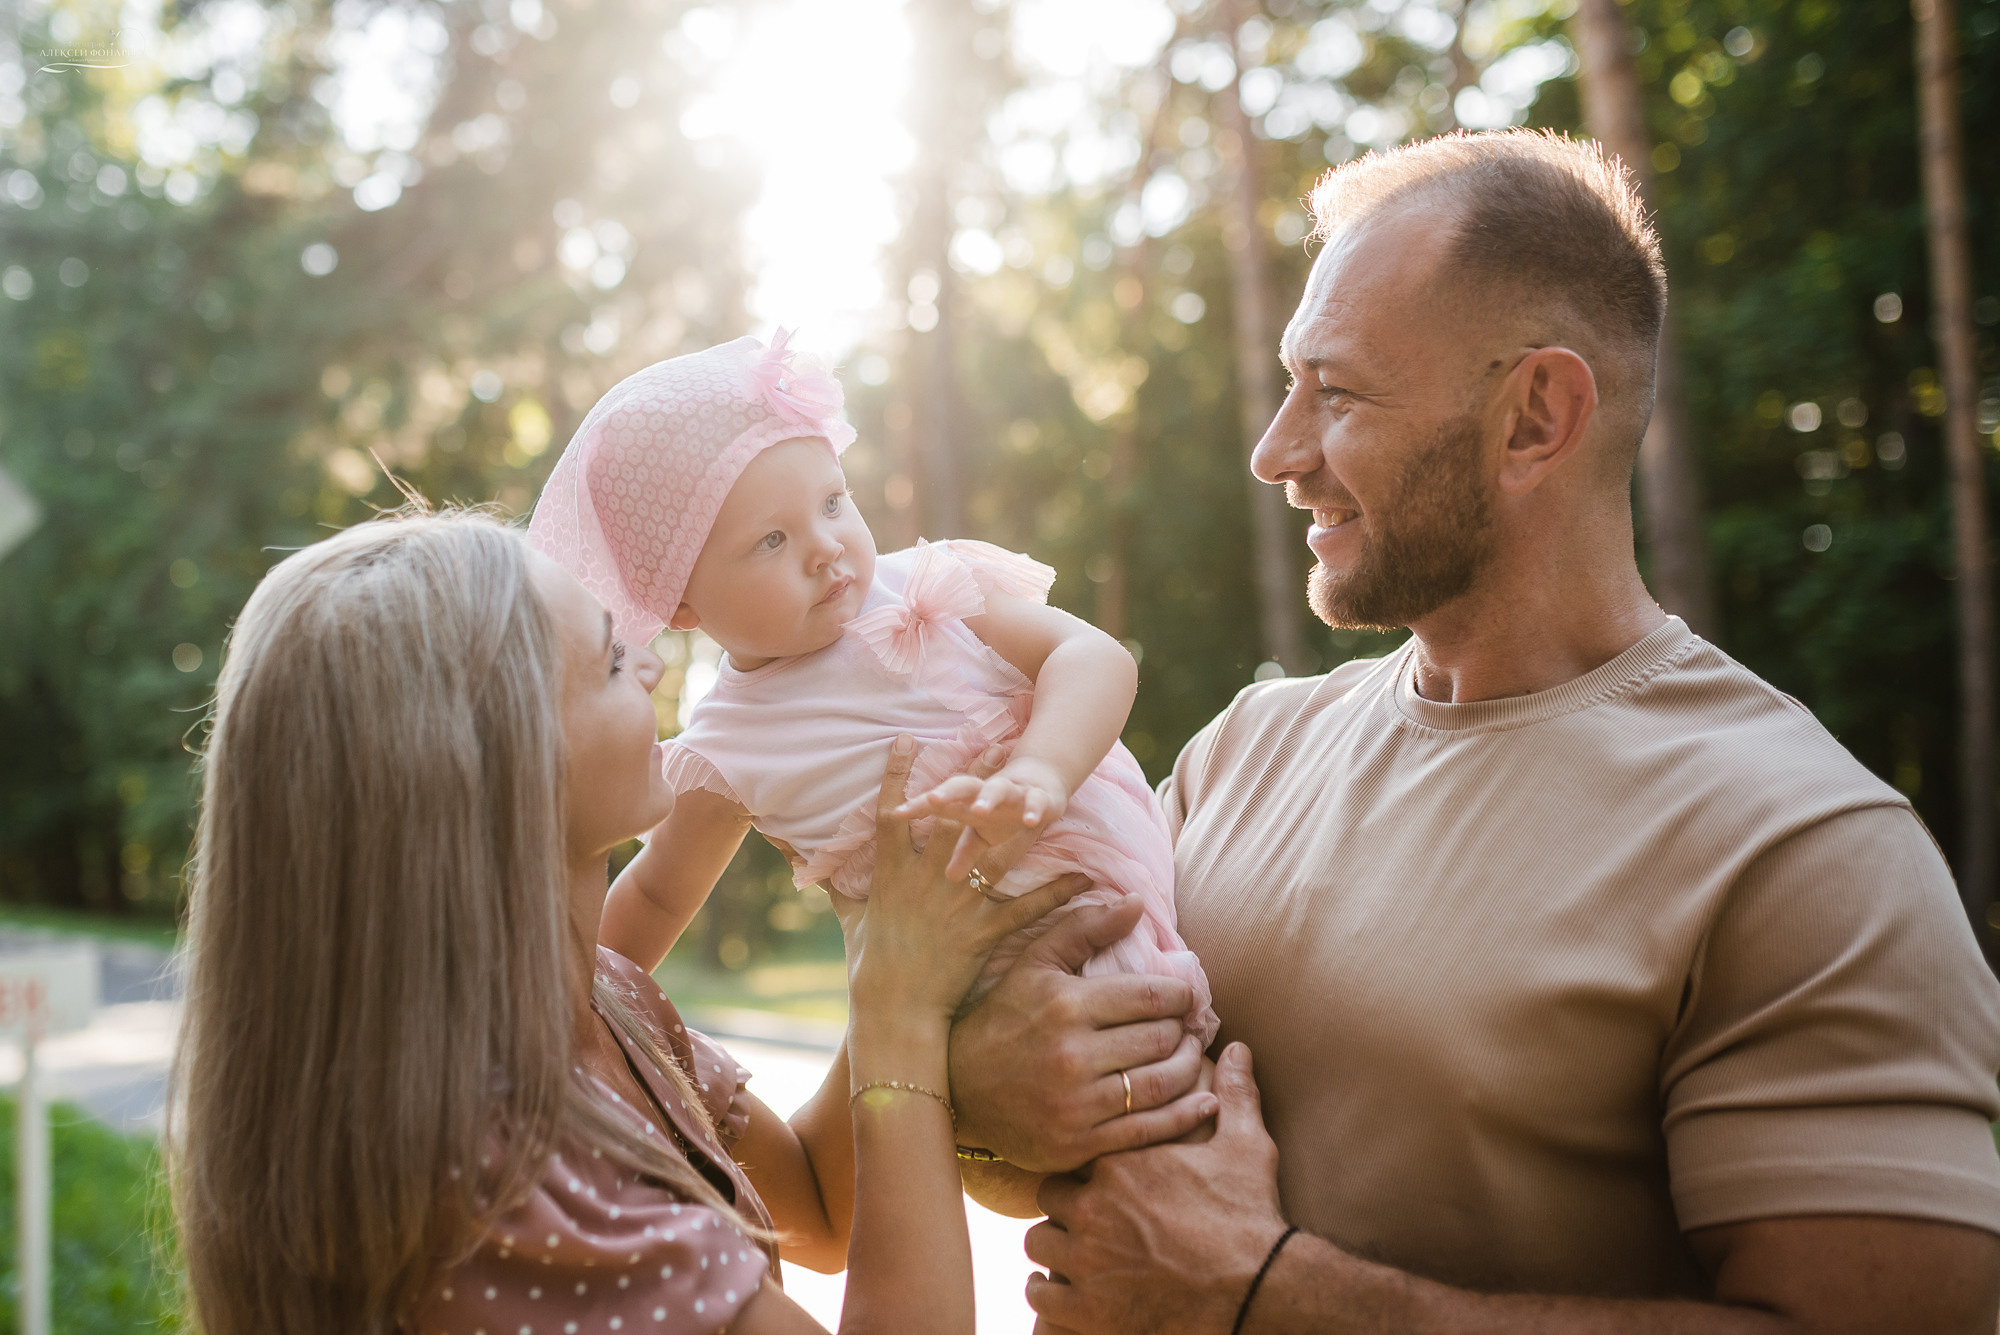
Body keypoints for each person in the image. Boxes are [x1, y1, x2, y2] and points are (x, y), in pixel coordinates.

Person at [941, 129, 2000, 1333]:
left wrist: (1265, 1296)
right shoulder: (1242, 751)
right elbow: (1014, 1146)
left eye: (1334, 393)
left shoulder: (1802, 844)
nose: (1275, 453)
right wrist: (981, 1078)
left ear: (1533, 416)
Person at [165, 506, 1218, 1335]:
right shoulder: (495, 1172)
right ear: (494, 770)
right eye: (613, 662)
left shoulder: (605, 1001)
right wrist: (898, 1011)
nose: (662, 664)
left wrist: (915, 946)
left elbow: (814, 1210)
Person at [527, 331, 1217, 1041]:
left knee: (1169, 1083)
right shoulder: (729, 745)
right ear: (681, 605)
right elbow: (657, 891)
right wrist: (561, 1001)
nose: (826, 546)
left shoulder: (926, 585)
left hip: (1102, 902)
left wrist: (1042, 764)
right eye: (772, 540)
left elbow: (1092, 655)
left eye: (832, 502)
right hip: (970, 1011)